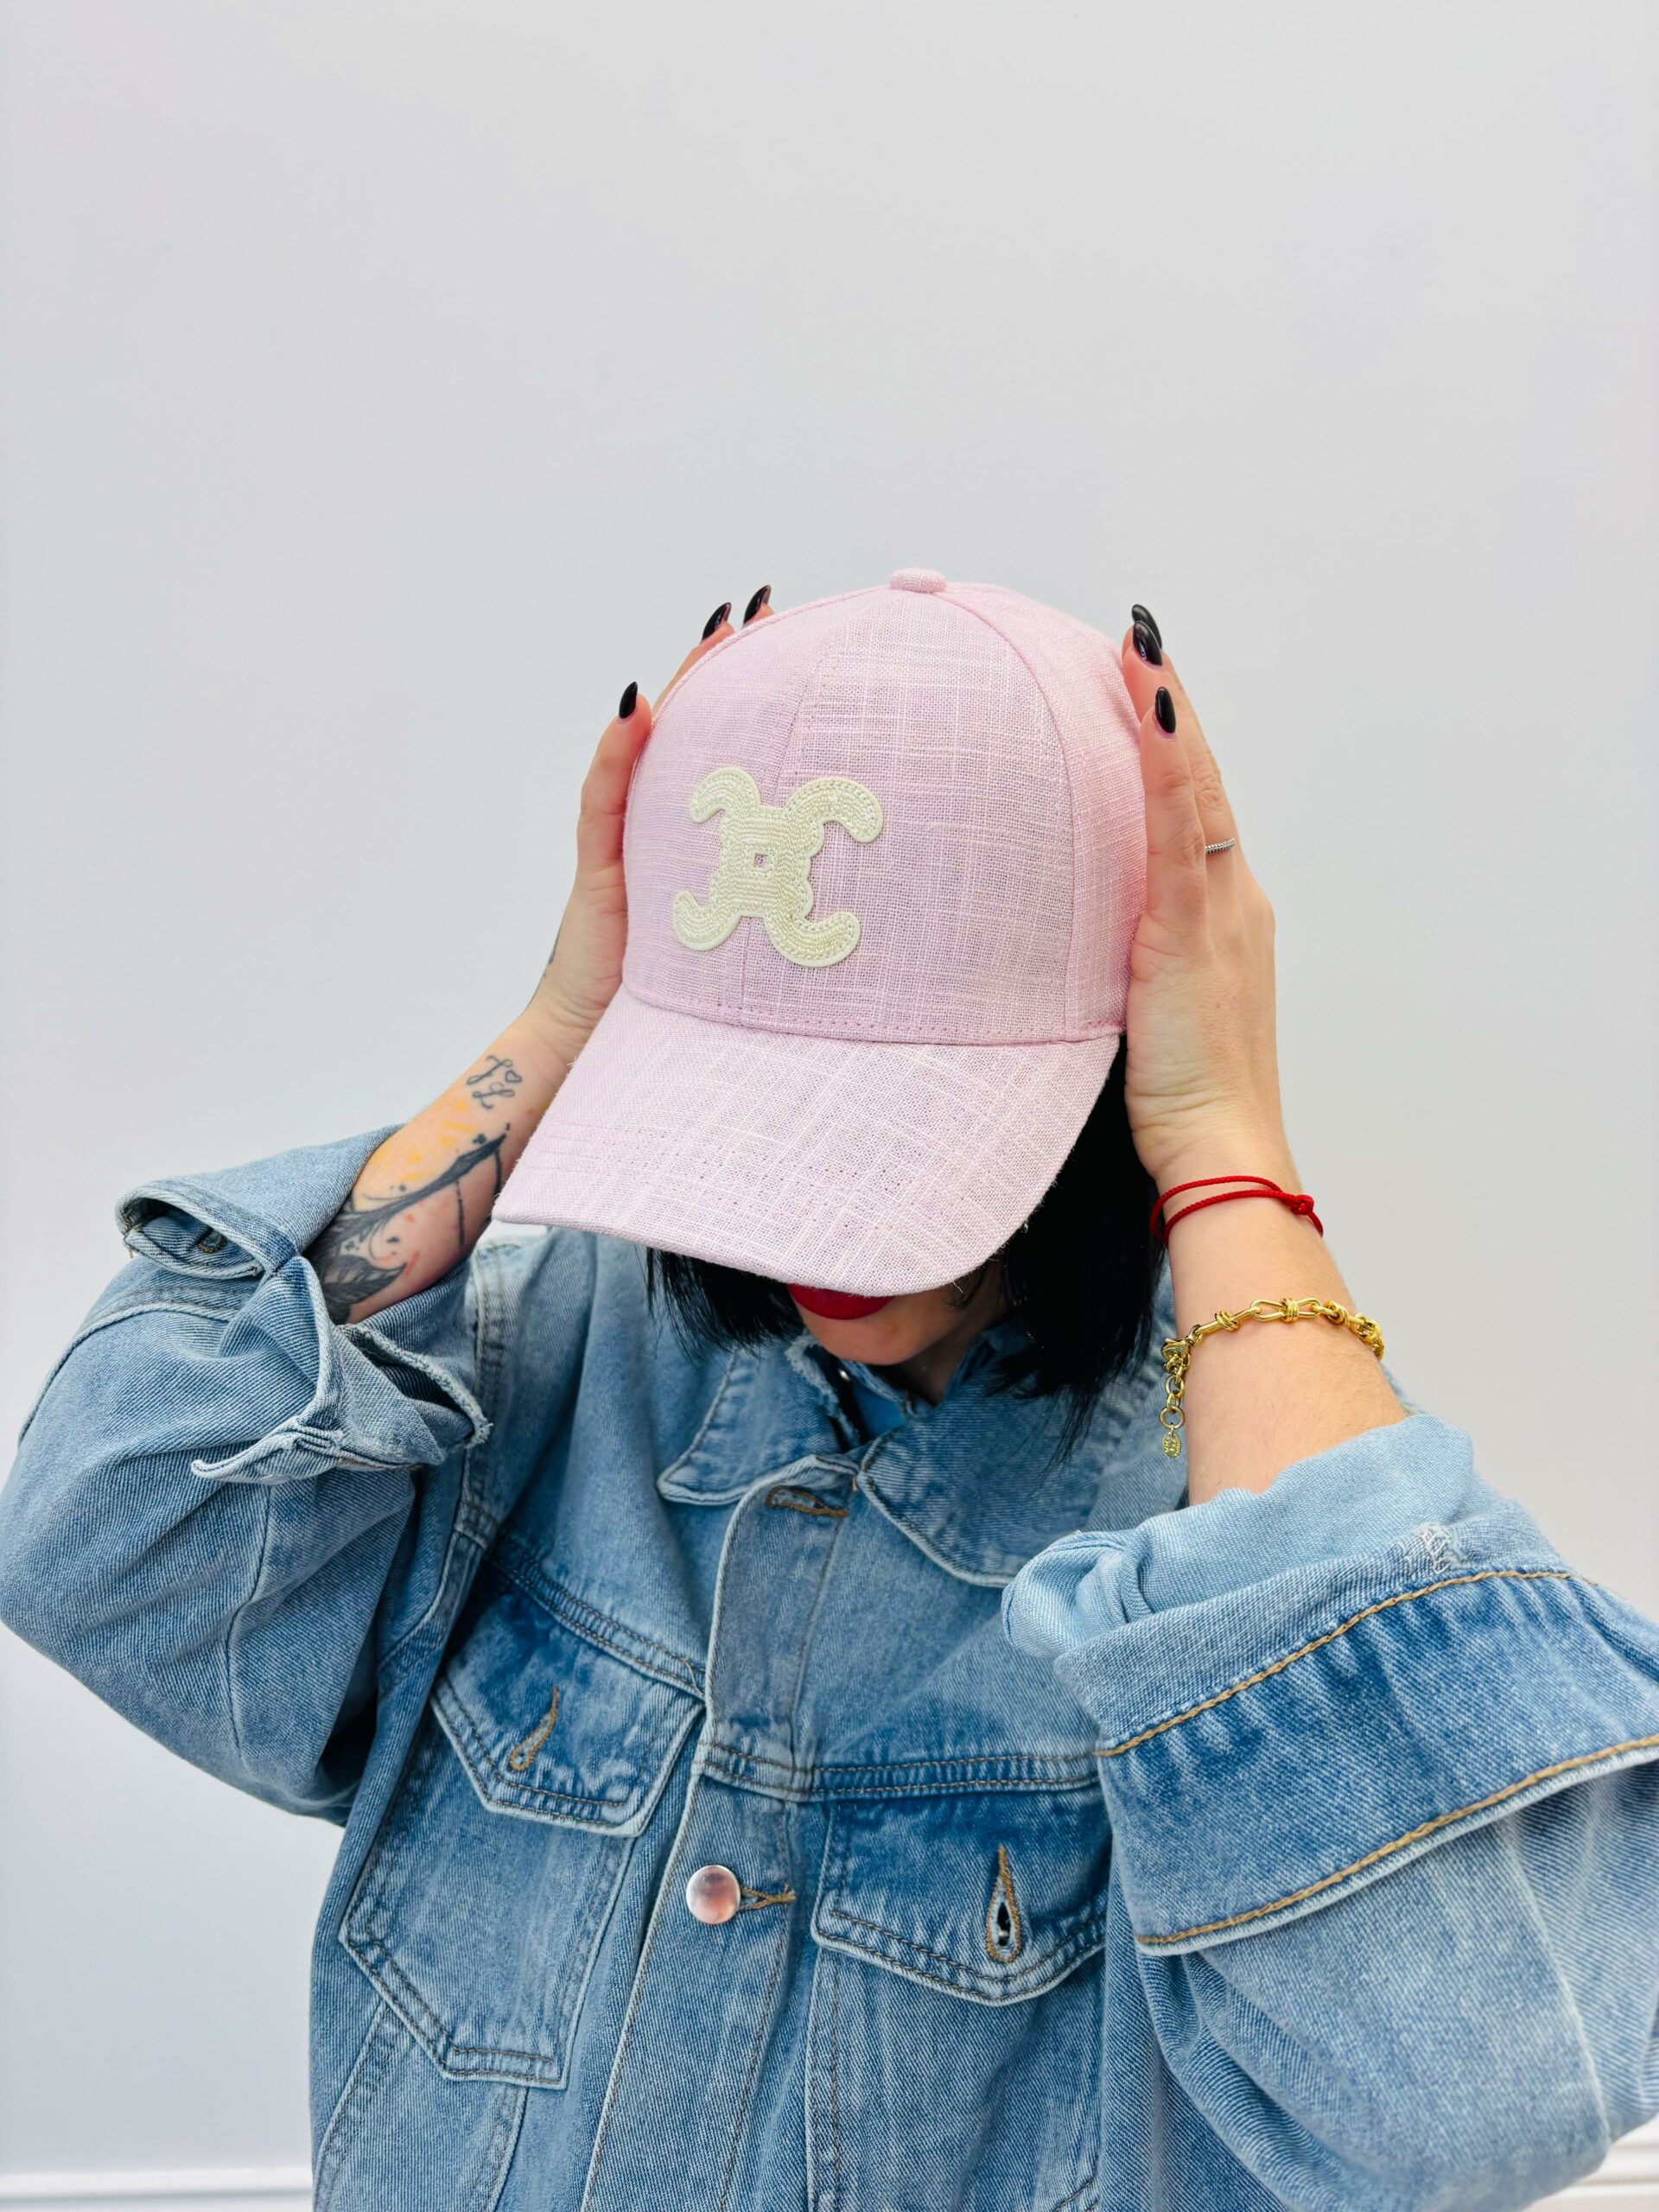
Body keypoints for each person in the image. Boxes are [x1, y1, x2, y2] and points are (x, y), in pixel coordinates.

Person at [2, 573, 1656, 2212]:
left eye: (909, 1126)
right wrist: (574, 1021)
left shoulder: (1231, 1532)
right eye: (760, 1097)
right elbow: (98, 1538)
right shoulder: (545, 1367)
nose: (817, 1230)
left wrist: (1226, 1144)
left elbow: (1472, 2094)